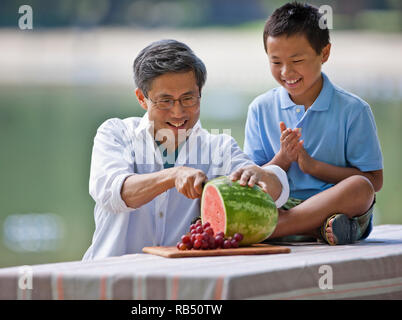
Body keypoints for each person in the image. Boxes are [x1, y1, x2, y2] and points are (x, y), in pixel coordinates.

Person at [83, 39, 289, 259]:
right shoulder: (115, 133)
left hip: (184, 278)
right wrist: (174, 175)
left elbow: (275, 193)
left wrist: (262, 175)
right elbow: (114, 193)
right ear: (142, 99)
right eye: (165, 101)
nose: (178, 112)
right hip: (111, 277)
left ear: (200, 94)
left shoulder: (219, 147)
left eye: (188, 98)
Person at [244, 2, 384, 245]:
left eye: (297, 60)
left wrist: (313, 167)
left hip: (334, 205)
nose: (286, 72)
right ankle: (316, 229)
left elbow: (374, 181)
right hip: (281, 203)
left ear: (324, 53)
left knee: (360, 188)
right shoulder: (260, 108)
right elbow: (254, 176)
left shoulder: (354, 110)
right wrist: (283, 160)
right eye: (276, 62)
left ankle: (279, 227)